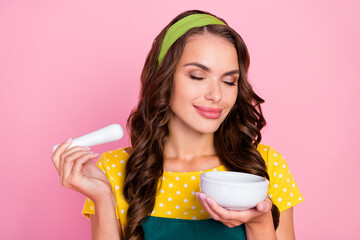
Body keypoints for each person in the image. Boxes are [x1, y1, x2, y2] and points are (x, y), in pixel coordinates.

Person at [51, 9, 303, 240]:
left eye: (229, 81)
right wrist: (103, 198)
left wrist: (259, 220)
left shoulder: (265, 167)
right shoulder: (114, 170)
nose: (216, 95)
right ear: (164, 78)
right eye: (197, 76)